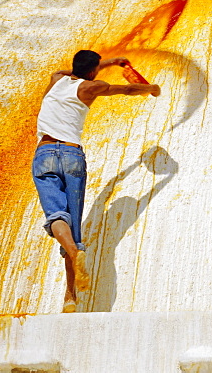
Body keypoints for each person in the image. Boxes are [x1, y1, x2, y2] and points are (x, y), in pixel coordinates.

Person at [32, 49, 161, 313]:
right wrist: (151, 88)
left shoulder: (57, 78)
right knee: (74, 224)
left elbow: (76, 72)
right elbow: (125, 91)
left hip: (44, 153)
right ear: (94, 71)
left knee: (57, 217)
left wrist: (109, 62)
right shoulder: (92, 88)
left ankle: (72, 272)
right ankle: (70, 297)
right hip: (71, 154)